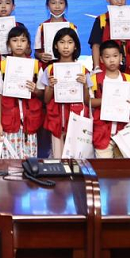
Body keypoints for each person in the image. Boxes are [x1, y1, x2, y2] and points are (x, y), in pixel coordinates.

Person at [40, 27, 91, 159]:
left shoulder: (83, 70)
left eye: (70, 42)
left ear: (75, 46)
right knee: (58, 157)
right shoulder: (50, 69)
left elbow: (87, 101)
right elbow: (46, 100)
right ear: (56, 46)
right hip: (56, 120)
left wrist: (85, 85)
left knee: (76, 158)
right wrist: (51, 86)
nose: (66, 46)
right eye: (62, 42)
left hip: (76, 119)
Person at [0, 26, 44, 158]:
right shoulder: (2, 66)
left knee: (30, 162)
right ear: (9, 44)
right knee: (9, 162)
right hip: (9, 122)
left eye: (23, 40)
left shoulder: (36, 65)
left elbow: (43, 94)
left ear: (28, 44)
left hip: (30, 122)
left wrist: (35, 90)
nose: (19, 44)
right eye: (15, 40)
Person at [91, 41, 130, 158]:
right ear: (101, 59)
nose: (111, 60)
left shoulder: (128, 79)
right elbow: (89, 102)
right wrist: (105, 100)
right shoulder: (95, 79)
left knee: (121, 166)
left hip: (124, 131)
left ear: (121, 57)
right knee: (104, 166)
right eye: (107, 57)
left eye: (115, 56)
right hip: (102, 131)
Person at [34, 0, 77, 64]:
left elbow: (76, 49)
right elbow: (36, 52)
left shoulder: (71, 27)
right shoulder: (42, 27)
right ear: (47, 6)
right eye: (53, 3)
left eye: (61, 3)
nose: (57, 6)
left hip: (67, 65)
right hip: (47, 66)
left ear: (65, 5)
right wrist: (40, 56)